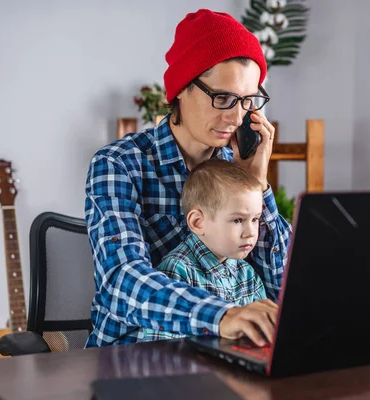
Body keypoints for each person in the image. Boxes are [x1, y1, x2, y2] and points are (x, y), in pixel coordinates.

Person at [84, 8, 292, 348]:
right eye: (222, 98)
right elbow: (122, 280)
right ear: (182, 88)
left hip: (219, 353)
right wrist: (222, 316)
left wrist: (257, 183)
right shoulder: (119, 164)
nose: (236, 116)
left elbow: (285, 286)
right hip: (134, 354)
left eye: (246, 101)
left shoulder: (236, 169)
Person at [143, 159, 269, 341]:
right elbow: (162, 346)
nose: (250, 232)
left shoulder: (247, 274)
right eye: (237, 220)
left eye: (255, 219)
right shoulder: (176, 271)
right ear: (197, 222)